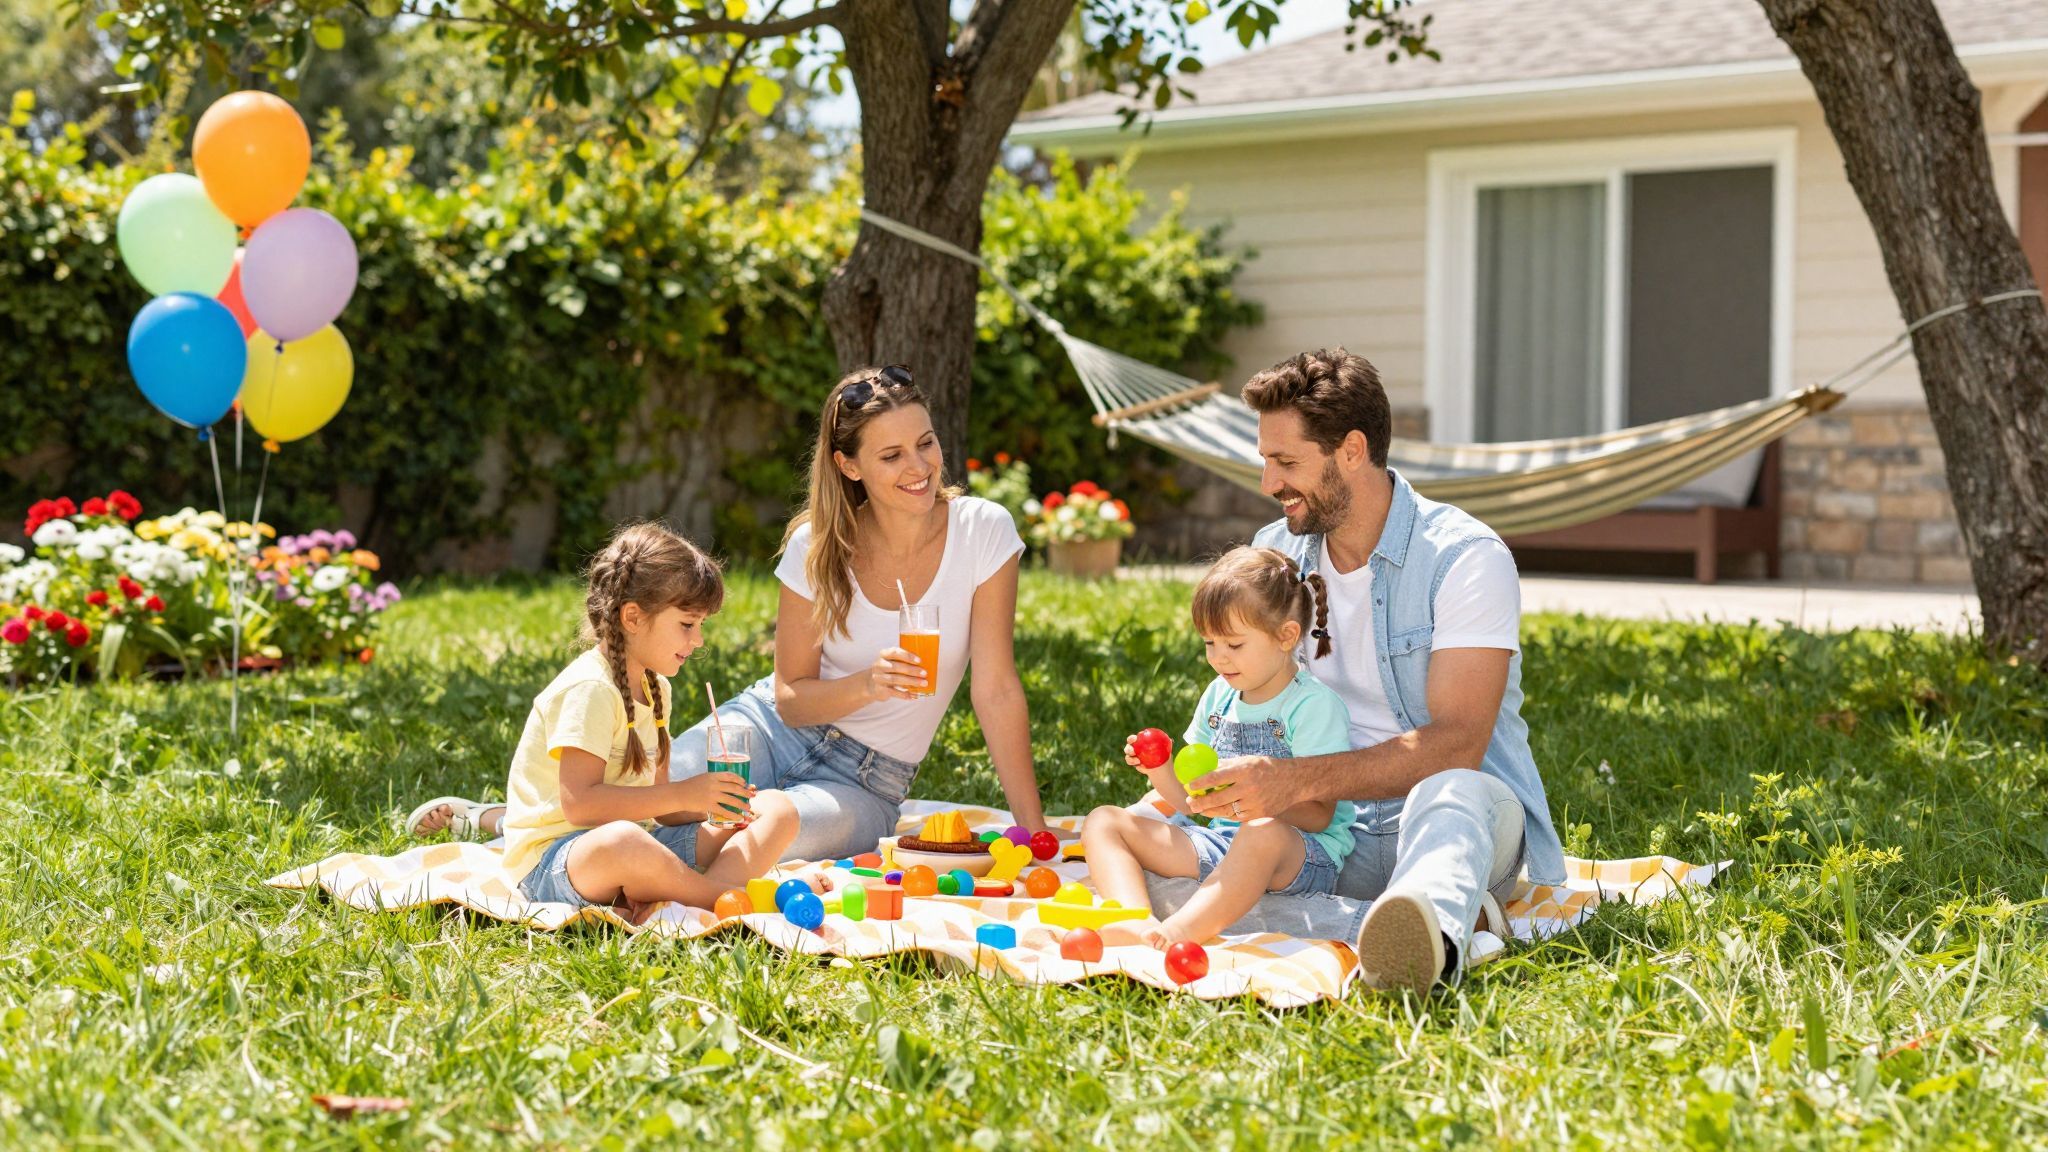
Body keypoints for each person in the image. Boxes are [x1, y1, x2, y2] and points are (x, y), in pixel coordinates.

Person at [410, 365, 1053, 860]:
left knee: (755, 835)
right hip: (767, 728)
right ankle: (498, 824)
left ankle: (586, 862)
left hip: (869, 781)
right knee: (647, 805)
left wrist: (1033, 830)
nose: (919, 468)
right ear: (848, 465)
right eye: (891, 456)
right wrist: (867, 685)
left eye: (926, 443)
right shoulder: (816, 546)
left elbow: (995, 687)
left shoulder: (982, 532)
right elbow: (792, 698)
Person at [1157, 347, 1565, 994]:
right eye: (1266, 461)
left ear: (1351, 450)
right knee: (1171, 862)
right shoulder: (1274, 554)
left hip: (1444, 819)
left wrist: (1293, 779)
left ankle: (1419, 929)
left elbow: (1458, 742)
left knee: (1452, 788)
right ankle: (1434, 921)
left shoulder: (1464, 558)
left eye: (1286, 462)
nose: (1269, 483)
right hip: (1324, 832)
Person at [492, 522, 806, 920]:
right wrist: (684, 794)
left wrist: (714, 803)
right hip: (557, 863)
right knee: (623, 842)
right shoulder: (590, 689)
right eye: (687, 625)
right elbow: (580, 806)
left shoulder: (656, 687)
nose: (698, 642)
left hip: (637, 845)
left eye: (701, 626)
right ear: (633, 618)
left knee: (777, 809)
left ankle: (688, 894)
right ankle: (717, 897)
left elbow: (660, 808)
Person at [1083, 547, 1353, 949]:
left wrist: (1259, 799)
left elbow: (1319, 816)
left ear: (1286, 636)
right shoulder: (1219, 697)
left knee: (1262, 831)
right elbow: (1193, 803)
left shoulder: (1313, 706)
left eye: (1234, 645)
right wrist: (1159, 770)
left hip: (1300, 854)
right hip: (1223, 844)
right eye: (1210, 643)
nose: (1218, 658)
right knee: (1104, 821)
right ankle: (1134, 921)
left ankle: (1177, 932)